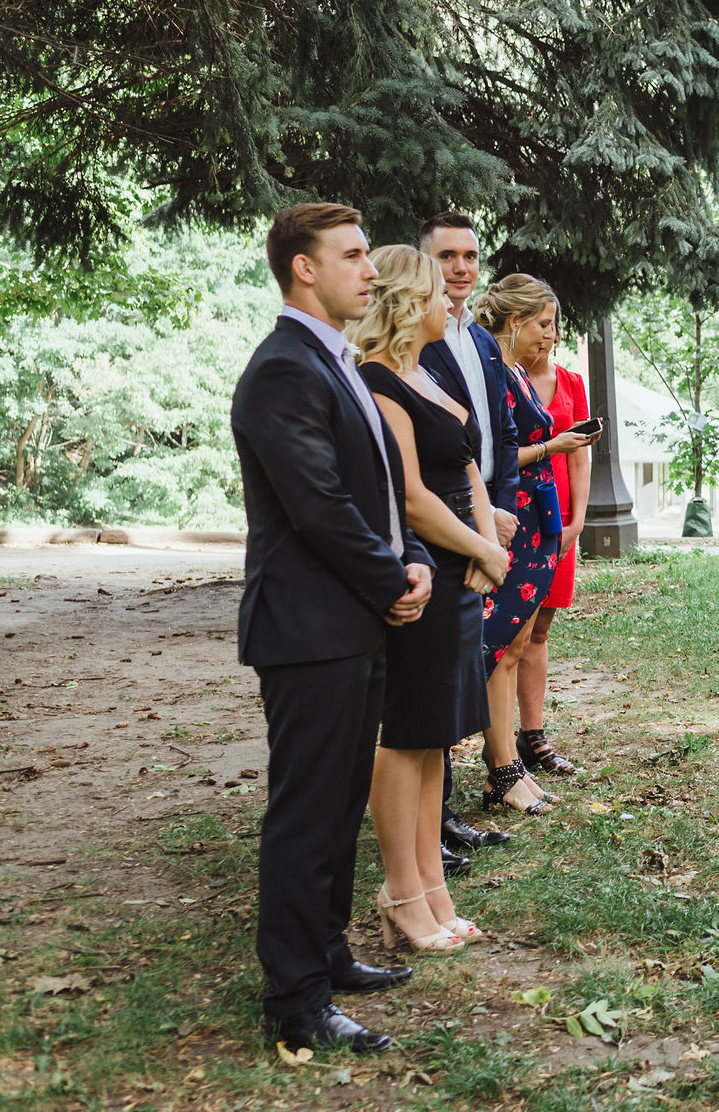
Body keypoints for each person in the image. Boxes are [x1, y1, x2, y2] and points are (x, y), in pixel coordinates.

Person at [231, 203, 433, 1054]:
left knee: (341, 801)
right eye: (353, 255)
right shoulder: (282, 368)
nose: (371, 269)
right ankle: (295, 1001)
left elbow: (379, 487)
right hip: (310, 627)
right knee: (305, 813)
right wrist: (392, 581)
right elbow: (318, 504)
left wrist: (414, 555)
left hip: (355, 621)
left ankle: (327, 951)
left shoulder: (337, 360)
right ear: (303, 268)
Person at [353, 246, 514, 954]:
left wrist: (490, 543)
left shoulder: (428, 370)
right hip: (424, 568)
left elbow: (468, 468)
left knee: (436, 739)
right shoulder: (380, 379)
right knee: (406, 735)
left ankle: (432, 888)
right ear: (404, 300)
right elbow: (411, 497)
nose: (448, 300)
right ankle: (402, 891)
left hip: (466, 568)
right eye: (432, 292)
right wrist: (480, 550)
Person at [416, 213, 521, 860]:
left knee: (465, 667)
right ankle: (434, 816)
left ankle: (444, 814)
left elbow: (502, 433)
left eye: (470, 255)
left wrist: (501, 511)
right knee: (437, 676)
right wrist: (476, 521)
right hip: (443, 521)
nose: (460, 266)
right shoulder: (414, 340)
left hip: (489, 517)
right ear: (426, 263)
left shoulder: (481, 340)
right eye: (447, 255)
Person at [471, 275, 594, 812]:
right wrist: (553, 446)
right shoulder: (492, 373)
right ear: (516, 321)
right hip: (510, 522)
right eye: (544, 324)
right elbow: (489, 457)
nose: (551, 334)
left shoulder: (513, 371)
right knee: (498, 647)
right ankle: (499, 764)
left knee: (518, 644)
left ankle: (509, 762)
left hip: (537, 525)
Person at [518, 302, 595, 777]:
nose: (547, 334)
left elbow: (581, 457)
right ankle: (497, 745)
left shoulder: (571, 383)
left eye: (552, 325)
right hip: (521, 516)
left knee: (540, 630)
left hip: (561, 520)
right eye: (539, 325)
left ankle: (533, 735)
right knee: (513, 632)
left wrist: (578, 519)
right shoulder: (506, 378)